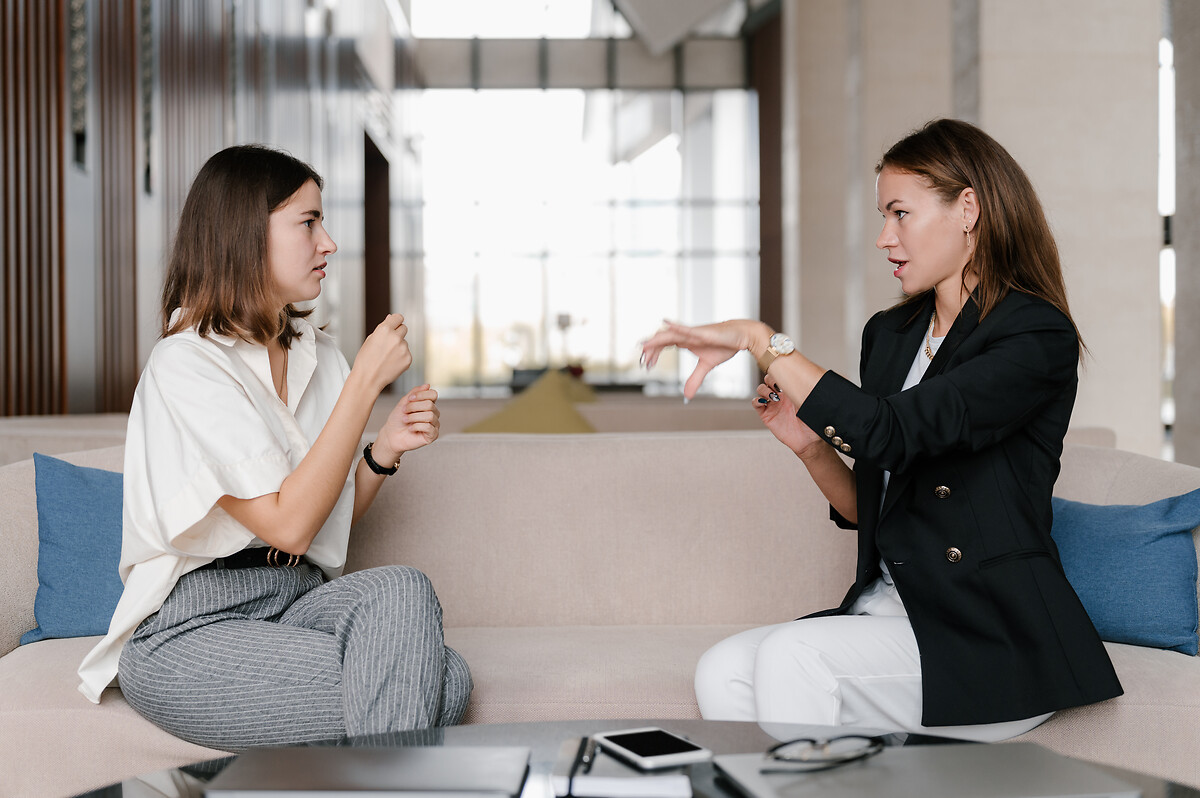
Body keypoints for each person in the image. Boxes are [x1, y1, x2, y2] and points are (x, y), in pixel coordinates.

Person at [640, 118, 1122, 742]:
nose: (883, 238)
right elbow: (882, 510)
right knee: (723, 669)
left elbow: (893, 432)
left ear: (967, 208)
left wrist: (760, 339)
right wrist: (812, 448)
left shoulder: (1034, 335)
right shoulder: (890, 336)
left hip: (988, 633)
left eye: (900, 214)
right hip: (893, 614)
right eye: (882, 217)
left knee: (797, 657)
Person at [77, 144, 472, 750]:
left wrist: (381, 452)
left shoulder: (322, 355)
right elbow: (287, 526)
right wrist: (367, 383)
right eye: (309, 222)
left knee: (402, 588)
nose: (329, 243)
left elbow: (321, 517)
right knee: (441, 680)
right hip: (196, 624)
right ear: (245, 234)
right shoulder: (185, 365)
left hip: (298, 602)